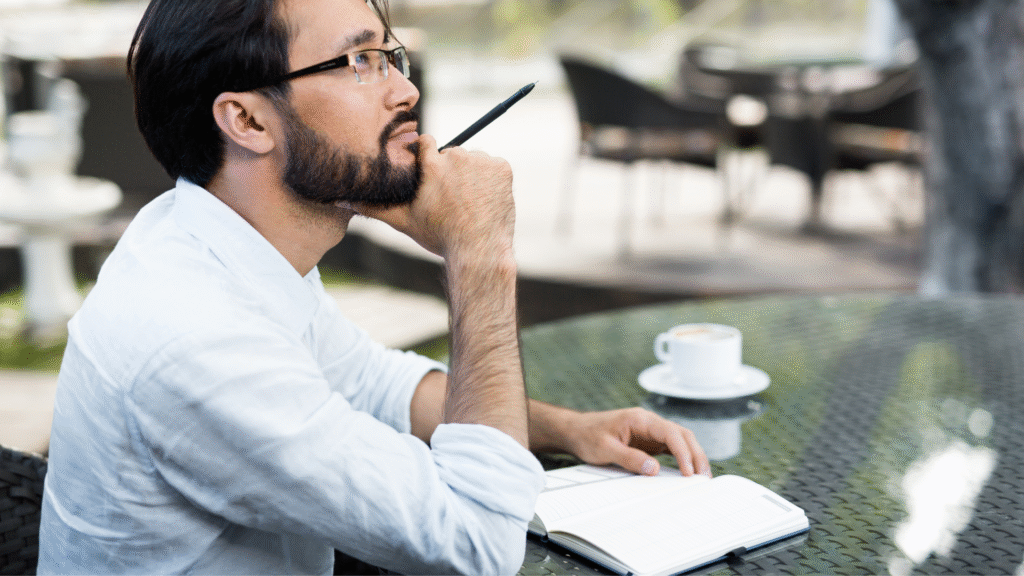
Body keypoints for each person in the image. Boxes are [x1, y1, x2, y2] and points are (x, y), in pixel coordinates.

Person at [37, 0, 710, 573]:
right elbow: (478, 541)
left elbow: (378, 388)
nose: (403, 91)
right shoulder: (193, 338)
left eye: (390, 56)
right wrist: (479, 255)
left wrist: (570, 429)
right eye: (358, 62)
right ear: (247, 121)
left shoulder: (214, 238)